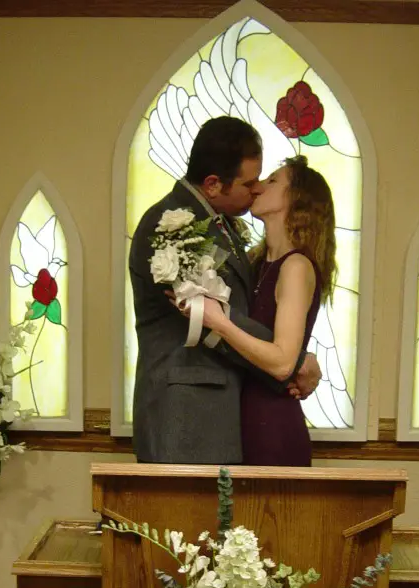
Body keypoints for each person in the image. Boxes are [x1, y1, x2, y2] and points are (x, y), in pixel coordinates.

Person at [129, 116, 322, 464]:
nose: (258, 188)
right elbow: (208, 316)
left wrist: (289, 355)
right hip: (186, 413)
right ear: (214, 184)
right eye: (249, 183)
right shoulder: (169, 227)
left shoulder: (225, 230)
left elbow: (234, 315)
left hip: (227, 411)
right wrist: (291, 360)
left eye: (266, 180)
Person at [178, 155, 336, 466]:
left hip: (272, 425)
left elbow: (281, 364)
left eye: (273, 180)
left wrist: (219, 323)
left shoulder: (295, 266)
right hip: (241, 420)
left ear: (296, 199)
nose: (259, 186)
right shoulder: (255, 263)